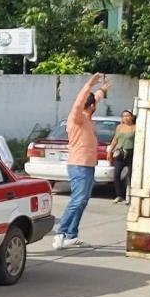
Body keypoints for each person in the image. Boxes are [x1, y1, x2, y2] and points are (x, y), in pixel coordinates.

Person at [53, 72, 111, 250]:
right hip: (79, 165)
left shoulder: (87, 118)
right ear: (91, 106)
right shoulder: (76, 118)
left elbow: (94, 100)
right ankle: (61, 233)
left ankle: (71, 234)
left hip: (87, 165)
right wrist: (89, 85)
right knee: (77, 200)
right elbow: (79, 103)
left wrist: (101, 90)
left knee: (83, 200)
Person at [108, 109, 137, 204]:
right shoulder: (119, 127)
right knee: (116, 174)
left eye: (127, 116)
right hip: (120, 152)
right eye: (123, 116)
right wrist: (110, 151)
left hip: (130, 152)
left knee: (130, 176)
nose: (125, 118)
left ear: (132, 117)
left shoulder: (135, 127)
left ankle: (130, 196)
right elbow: (115, 139)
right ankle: (119, 195)